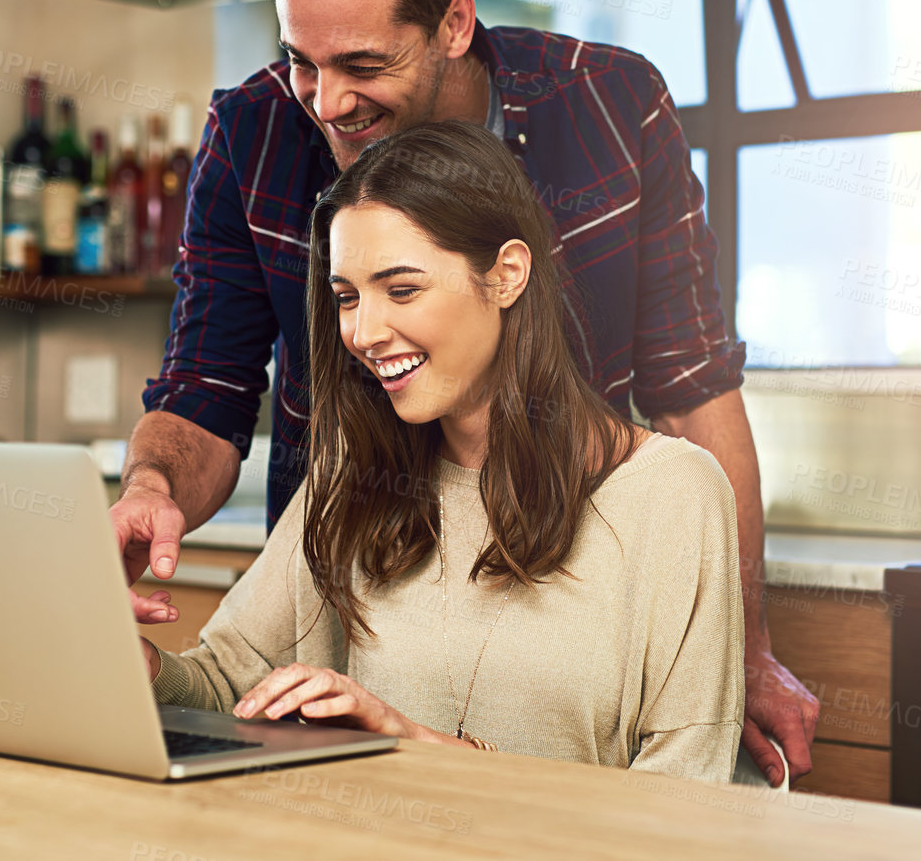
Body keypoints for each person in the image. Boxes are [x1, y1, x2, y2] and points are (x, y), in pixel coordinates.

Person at [117, 0, 817, 785]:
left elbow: (691, 384)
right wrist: (149, 497)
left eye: (362, 64)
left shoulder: (606, 108)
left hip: (579, 548)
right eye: (301, 64)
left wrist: (737, 647)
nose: (326, 103)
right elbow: (204, 387)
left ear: (454, 22)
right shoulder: (254, 133)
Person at [140, 122, 744, 781]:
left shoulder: (672, 493)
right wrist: (143, 668)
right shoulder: (355, 468)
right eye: (346, 297)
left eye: (402, 289)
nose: (363, 332)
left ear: (508, 274)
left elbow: (687, 802)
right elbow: (231, 683)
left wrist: (421, 748)